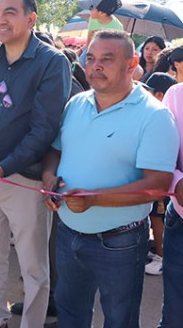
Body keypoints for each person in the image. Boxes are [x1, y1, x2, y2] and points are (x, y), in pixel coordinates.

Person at [42, 29, 178, 328]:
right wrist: (49, 176)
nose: (95, 66)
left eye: (106, 59)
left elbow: (157, 185)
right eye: (90, 58)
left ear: (132, 65)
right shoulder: (76, 104)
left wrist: (94, 199)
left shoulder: (153, 116)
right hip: (68, 233)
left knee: (119, 319)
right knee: (70, 312)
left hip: (120, 242)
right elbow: (55, 150)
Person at [0, 0, 71, 328]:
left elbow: (44, 130)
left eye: (10, 11)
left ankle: (32, 324)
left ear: (31, 18)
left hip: (25, 178)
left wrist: (4, 168)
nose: (0, 19)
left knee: (33, 265)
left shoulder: (52, 63)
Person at [142, 72, 178, 276]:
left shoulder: (166, 117)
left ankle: (162, 256)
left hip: (166, 185)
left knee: (158, 218)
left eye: (149, 92)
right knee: (156, 217)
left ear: (160, 95)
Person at [159, 82, 183, 327]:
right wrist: (178, 182)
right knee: (176, 314)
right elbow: (163, 157)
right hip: (181, 219)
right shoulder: (176, 95)